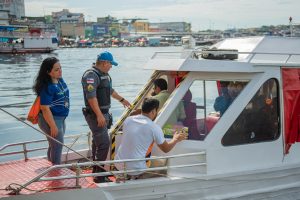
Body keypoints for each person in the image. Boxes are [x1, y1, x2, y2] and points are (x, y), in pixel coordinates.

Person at [81, 51, 131, 183]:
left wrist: (122, 100)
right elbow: (91, 98)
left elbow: (110, 91)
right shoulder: (91, 75)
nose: (111, 67)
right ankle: (99, 175)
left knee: (97, 142)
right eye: (110, 64)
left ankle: (96, 170)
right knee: (104, 143)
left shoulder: (104, 75)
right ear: (104, 63)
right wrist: (99, 115)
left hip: (103, 114)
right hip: (96, 115)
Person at [115, 98, 187, 179]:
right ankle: (139, 179)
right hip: (135, 169)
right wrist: (175, 139)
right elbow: (166, 149)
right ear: (153, 111)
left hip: (118, 165)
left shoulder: (128, 120)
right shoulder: (154, 127)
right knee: (163, 163)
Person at [33, 57, 69, 165]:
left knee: (54, 144)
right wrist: (53, 125)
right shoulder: (47, 87)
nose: (60, 71)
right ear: (48, 72)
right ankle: (56, 170)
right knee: (58, 145)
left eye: (60, 68)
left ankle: (51, 166)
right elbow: (44, 108)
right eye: (56, 70)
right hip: (51, 119)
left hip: (61, 118)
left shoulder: (60, 81)